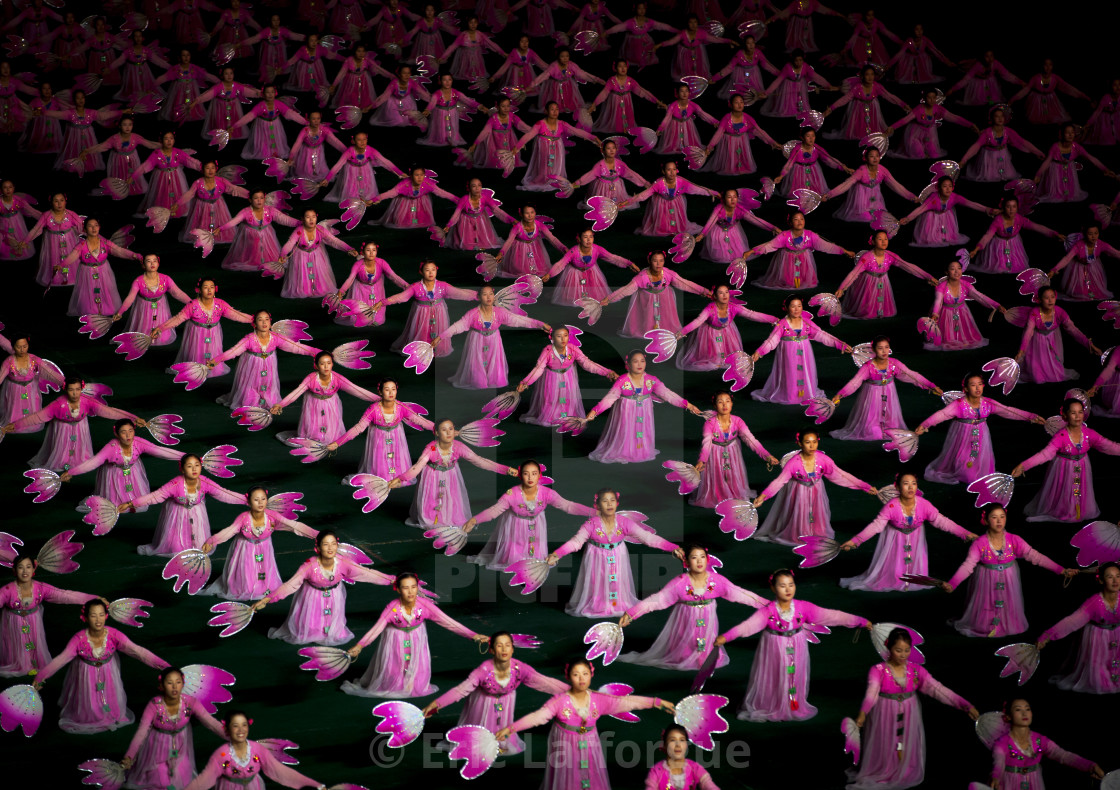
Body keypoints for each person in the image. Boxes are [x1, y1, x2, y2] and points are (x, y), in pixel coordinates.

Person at [494, 659, 676, 789]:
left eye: (585, 674)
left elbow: (627, 702)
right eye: (576, 674)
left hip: (590, 742)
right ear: (568, 677)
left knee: (590, 770)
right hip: (565, 742)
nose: (581, 678)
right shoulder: (560, 701)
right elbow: (537, 717)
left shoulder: (599, 699)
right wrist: (511, 728)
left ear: (591, 676)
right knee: (568, 773)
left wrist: (656, 702)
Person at [715, 569, 870, 721]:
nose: (788, 589)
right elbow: (747, 626)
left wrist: (858, 621)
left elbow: (832, 616)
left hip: (797, 646)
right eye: (782, 586)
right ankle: (773, 704)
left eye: (791, 584)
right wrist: (726, 637)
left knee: (794, 675)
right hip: (775, 646)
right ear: (773, 588)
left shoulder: (803, 608)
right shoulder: (768, 611)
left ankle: (792, 705)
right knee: (775, 674)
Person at [846, 629, 978, 790]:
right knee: (886, 740)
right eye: (898, 650)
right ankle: (884, 769)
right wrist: (863, 712)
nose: (903, 655)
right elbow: (872, 692)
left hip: (909, 712)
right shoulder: (878, 670)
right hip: (884, 712)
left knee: (904, 742)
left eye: (907, 650)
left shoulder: (916, 670)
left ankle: (901, 768)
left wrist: (964, 705)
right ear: (889, 648)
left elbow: (938, 689)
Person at [32, 599, 170, 733]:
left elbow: (138, 651)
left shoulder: (113, 635)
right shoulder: (79, 639)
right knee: (88, 701)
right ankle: (92, 715)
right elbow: (61, 659)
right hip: (86, 673)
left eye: (101, 615)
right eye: (93, 615)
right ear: (84, 618)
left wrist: (164, 666)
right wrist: (40, 677)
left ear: (106, 616)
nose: (98, 620)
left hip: (109, 672)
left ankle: (110, 713)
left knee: (111, 697)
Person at [618, 544, 764, 671]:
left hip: (708, 617)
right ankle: (685, 654)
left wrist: (768, 605)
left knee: (706, 645)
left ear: (707, 559)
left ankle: (704, 655)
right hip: (685, 617)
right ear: (686, 562)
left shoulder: (717, 581)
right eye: (694, 557)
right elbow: (657, 600)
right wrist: (632, 613)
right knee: (686, 647)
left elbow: (742, 594)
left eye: (702, 557)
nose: (699, 561)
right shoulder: (680, 583)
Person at [421, 631, 568, 756]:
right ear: (491, 650)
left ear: (512, 649)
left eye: (507, 645)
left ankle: (500, 741)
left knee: (502, 724)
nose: (504, 649)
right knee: (479, 740)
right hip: (483, 701)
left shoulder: (520, 668)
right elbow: (460, 690)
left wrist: (574, 691)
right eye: (499, 645)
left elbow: (545, 682)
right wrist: (436, 704)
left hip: (506, 701)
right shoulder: (483, 671)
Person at [939, 505, 1076, 638]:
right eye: (994, 517)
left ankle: (1004, 624)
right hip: (986, 579)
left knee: (1008, 604)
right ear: (986, 520)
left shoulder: (1014, 540)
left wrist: (1061, 570)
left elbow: (1036, 556)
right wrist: (953, 583)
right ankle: (987, 625)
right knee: (986, 605)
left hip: (1008, 578)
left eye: (1002, 517)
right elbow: (968, 565)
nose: (999, 521)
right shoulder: (980, 543)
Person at [342, 573, 487, 698]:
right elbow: (376, 629)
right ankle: (394, 683)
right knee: (395, 663)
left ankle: (412, 683)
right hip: (395, 638)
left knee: (417, 665)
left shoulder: (424, 605)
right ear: (398, 589)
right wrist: (359, 646)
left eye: (413, 587)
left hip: (417, 636)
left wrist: (473, 635)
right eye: (405, 588)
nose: (411, 592)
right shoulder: (392, 608)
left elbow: (447, 621)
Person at [546, 488, 682, 617]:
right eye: (605, 501)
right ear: (597, 506)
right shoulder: (591, 524)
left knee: (616, 579)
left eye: (612, 500)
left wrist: (672, 547)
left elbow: (648, 538)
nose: (609, 504)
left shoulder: (624, 523)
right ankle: (598, 605)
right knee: (598, 579)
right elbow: (576, 542)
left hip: (617, 555)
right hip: (596, 557)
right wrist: (558, 553)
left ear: (617, 503)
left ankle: (617, 604)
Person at [253, 530, 394, 646]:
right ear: (318, 548)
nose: (331, 548)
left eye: (334, 544)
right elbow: (290, 585)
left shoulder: (343, 562)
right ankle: (312, 630)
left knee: (332, 625)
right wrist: (267, 599)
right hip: (312, 595)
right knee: (309, 623)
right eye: (326, 544)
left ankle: (328, 629)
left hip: (334, 594)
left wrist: (391, 580)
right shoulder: (309, 566)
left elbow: (367, 573)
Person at [839, 473, 975, 592]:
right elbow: (876, 526)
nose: (910, 487)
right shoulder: (891, 506)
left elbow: (942, 521)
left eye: (914, 483)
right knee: (892, 575)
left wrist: (965, 533)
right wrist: (855, 541)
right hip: (894, 539)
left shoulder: (923, 504)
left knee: (914, 575)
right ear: (897, 487)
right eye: (906, 484)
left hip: (916, 539)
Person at [915, 372, 1044, 485]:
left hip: (981, 436)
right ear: (965, 388)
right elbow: (942, 415)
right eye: (973, 385)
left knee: (981, 469)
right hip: (963, 436)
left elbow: (1008, 411)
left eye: (980, 384)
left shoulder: (988, 403)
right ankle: (963, 469)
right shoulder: (959, 404)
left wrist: (1031, 417)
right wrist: (925, 425)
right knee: (967, 474)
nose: (977, 388)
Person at [752, 429, 878, 545]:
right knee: (800, 511)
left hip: (817, 490)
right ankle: (799, 532)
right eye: (807, 442)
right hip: (799, 490)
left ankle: (815, 532)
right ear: (800, 444)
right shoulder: (793, 463)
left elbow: (842, 475)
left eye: (814, 442)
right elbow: (779, 482)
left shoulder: (823, 459)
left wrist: (864, 486)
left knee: (816, 512)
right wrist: (763, 496)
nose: (812, 446)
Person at [465, 460, 594, 571]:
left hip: (537, 525)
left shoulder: (546, 493)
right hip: (516, 525)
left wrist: (593, 512)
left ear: (539, 475)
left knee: (535, 559)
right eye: (526, 474)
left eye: (534, 474)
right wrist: (474, 520)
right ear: (521, 476)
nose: (530, 478)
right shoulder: (512, 495)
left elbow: (568, 506)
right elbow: (494, 511)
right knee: (514, 561)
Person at [389, 418, 518, 529]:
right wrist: (401, 479)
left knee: (450, 497)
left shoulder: (458, 447)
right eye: (444, 430)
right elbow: (417, 468)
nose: (448, 432)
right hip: (432, 475)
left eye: (451, 429)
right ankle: (432, 517)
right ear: (437, 433)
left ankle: (447, 517)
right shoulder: (432, 448)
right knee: (432, 498)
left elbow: (480, 461)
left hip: (451, 475)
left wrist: (505, 469)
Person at [581, 350, 702, 464]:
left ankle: (639, 449)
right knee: (625, 430)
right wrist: (595, 411)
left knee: (641, 433)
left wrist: (688, 405)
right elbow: (610, 398)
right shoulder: (622, 380)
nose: (639, 364)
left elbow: (668, 394)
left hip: (644, 410)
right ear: (628, 364)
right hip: (626, 411)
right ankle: (624, 450)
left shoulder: (651, 380)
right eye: (635, 361)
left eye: (642, 361)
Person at [1012, 398, 1120, 523]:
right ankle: (1065, 510)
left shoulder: (1089, 434)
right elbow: (1044, 454)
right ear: (1065, 416)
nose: (1077, 416)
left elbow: (1109, 446)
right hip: (1064, 467)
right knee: (1065, 492)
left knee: (1079, 490)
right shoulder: (1061, 436)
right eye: (1073, 413)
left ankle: (1078, 509)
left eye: (1080, 412)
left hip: (1082, 465)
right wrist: (1024, 466)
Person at [2, 376, 143, 472]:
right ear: (66, 390)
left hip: (80, 428)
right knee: (61, 449)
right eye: (71, 389)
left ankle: (78, 461)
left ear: (81, 389)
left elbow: (110, 412)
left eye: (77, 389)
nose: (75, 393)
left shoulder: (87, 401)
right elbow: (37, 417)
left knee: (80, 454)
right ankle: (62, 460)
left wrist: (133, 418)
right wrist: (14, 425)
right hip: (62, 428)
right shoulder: (58, 404)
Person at [200, 486, 318, 600]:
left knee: (265, 574)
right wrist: (212, 540)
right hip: (245, 548)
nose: (260, 502)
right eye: (256, 500)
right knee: (246, 572)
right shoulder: (243, 518)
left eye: (263, 499)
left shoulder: (272, 516)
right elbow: (229, 531)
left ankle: (263, 588)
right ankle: (245, 587)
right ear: (249, 502)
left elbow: (294, 526)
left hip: (264, 548)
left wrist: (317, 535)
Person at [120, 667, 227, 789]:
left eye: (178, 682)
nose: (174, 686)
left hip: (181, 749)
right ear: (162, 686)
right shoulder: (154, 705)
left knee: (181, 776)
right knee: (160, 779)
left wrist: (229, 735)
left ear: (183, 684)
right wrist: (129, 756)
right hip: (157, 750)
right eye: (170, 683)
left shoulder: (190, 702)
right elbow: (142, 732)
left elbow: (210, 722)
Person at [124, 454, 246, 558]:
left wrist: (246, 500)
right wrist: (132, 503)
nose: (194, 469)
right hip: (177, 513)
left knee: (200, 548)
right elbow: (155, 496)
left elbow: (223, 493)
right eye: (189, 466)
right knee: (175, 548)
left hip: (197, 512)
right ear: (182, 469)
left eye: (197, 465)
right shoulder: (175, 484)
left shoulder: (204, 482)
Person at [0, 553, 100, 677]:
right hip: (13, 623)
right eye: (21, 567)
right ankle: (20, 664)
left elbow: (64, 595)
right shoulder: (7, 591)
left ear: (33, 569)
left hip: (33, 621)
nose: (25, 571)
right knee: (17, 644)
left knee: (35, 642)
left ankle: (34, 664)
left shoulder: (40, 587)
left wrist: (94, 598)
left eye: (28, 567)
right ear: (14, 570)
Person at [828, 335, 942, 441]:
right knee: (873, 433)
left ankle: (887, 425)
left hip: (889, 395)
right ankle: (873, 425)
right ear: (874, 350)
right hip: (872, 396)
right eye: (880, 348)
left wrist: (931, 386)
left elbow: (913, 376)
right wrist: (841, 394)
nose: (884, 351)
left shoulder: (894, 364)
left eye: (886, 347)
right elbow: (855, 383)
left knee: (893, 429)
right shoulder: (868, 366)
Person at [437, 286, 551, 390]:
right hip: (477, 339)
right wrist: (441, 337)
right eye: (484, 294)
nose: (488, 297)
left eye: (490, 294)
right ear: (479, 297)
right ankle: (478, 380)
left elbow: (519, 320)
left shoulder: (500, 312)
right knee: (477, 359)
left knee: (493, 359)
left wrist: (539, 324)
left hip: (494, 339)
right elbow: (458, 326)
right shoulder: (473, 314)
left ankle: (491, 378)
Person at [60, 418, 185, 511]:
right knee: (113, 505)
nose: (128, 435)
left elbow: (161, 451)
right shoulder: (111, 447)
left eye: (131, 431)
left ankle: (132, 500)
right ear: (117, 434)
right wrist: (71, 472)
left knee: (139, 502)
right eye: (123, 432)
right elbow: (93, 462)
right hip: (114, 473)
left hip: (133, 471)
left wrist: (185, 457)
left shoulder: (138, 442)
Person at [325, 378, 433, 485]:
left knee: (397, 458)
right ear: (380, 392)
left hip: (396, 438)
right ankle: (382, 476)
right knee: (380, 461)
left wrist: (436, 428)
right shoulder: (373, 409)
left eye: (393, 389)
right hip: (379, 438)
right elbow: (358, 428)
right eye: (387, 389)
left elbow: (420, 420)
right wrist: (338, 443)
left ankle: (397, 476)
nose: (391, 393)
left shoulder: (401, 407)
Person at [183, 711, 325, 790]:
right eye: (235, 726)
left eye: (244, 725)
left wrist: (315, 785)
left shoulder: (257, 749)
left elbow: (280, 771)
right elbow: (204, 780)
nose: (241, 730)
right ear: (227, 729)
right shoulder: (221, 755)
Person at [209, 310, 321, 409]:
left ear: (270, 322)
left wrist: (315, 352)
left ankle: (264, 397)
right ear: (254, 324)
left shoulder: (276, 337)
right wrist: (217, 360)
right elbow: (233, 351)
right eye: (260, 320)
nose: (264, 323)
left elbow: (296, 347)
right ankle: (251, 398)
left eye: (266, 319)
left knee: (267, 385)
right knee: (251, 388)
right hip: (251, 365)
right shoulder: (250, 339)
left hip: (269, 364)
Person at [750, 296, 852, 405]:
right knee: (790, 373)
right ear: (786, 308)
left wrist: (840, 344)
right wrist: (759, 352)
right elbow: (771, 341)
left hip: (805, 354)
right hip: (788, 354)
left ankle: (804, 393)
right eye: (793, 306)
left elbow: (822, 335)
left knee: (805, 371)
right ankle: (790, 394)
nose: (796, 309)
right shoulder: (782, 324)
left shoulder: (807, 323)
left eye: (799, 306)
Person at [1037, 562, 1120, 694]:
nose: (1115, 580)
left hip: (1118, 634)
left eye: (1118, 576)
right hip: (1099, 638)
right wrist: (1047, 636)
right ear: (1101, 580)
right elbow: (1071, 622)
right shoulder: (1094, 603)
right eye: (1110, 577)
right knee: (1100, 676)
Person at [983, 699, 1104, 788]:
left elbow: (1062, 755)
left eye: (1027, 709)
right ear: (1008, 716)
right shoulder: (1002, 743)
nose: (1024, 713)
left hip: (1034, 783)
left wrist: (1090, 766)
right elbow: (998, 763)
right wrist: (996, 777)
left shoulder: (1039, 740)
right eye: (1018, 709)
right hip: (1008, 784)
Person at [516, 326, 619, 426]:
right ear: (551, 337)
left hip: (568, 376)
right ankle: (551, 415)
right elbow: (538, 369)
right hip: (551, 377)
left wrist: (607, 372)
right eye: (559, 336)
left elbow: (587, 363)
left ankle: (566, 415)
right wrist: (525, 383)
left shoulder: (573, 349)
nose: (563, 339)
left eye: (565, 335)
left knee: (567, 396)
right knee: (551, 397)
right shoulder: (548, 351)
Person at [374, 261, 478, 358]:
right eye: (427, 270)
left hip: (439, 313)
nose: (431, 272)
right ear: (421, 272)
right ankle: (421, 349)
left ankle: (436, 349)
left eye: (433, 269)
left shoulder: (442, 285)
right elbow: (401, 297)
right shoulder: (415, 287)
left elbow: (459, 293)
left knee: (438, 330)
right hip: (421, 313)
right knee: (422, 331)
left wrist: (478, 296)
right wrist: (383, 302)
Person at [270, 351, 378, 445]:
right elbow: (296, 393)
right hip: (313, 403)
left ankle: (327, 437)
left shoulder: (337, 378)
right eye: (322, 364)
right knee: (313, 424)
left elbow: (356, 390)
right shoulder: (311, 378)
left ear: (332, 364)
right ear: (316, 365)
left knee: (330, 429)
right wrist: (281, 404)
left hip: (330, 403)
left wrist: (377, 399)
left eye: (329, 363)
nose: (326, 367)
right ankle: (314, 437)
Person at [150, 278, 253, 377]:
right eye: (205, 287)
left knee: (212, 350)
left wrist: (253, 319)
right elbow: (177, 319)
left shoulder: (220, 304)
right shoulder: (193, 305)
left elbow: (237, 315)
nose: (209, 290)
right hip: (197, 333)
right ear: (199, 290)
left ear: (215, 289)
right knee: (197, 352)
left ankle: (211, 366)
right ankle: (195, 369)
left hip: (213, 332)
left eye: (212, 287)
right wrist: (160, 328)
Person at [689, 392, 777, 506]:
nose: (724, 405)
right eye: (720, 402)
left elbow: (750, 440)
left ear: (732, 404)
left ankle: (732, 492)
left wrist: (767, 456)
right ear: (715, 406)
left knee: (732, 474)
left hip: (732, 451)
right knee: (716, 474)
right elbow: (706, 442)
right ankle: (717, 494)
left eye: (727, 401)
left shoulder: (737, 421)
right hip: (714, 453)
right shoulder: (709, 423)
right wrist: (702, 460)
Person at [600, 251, 710, 339]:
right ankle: (647, 328)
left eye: (661, 261)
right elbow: (626, 290)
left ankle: (662, 328)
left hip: (664, 298)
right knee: (647, 317)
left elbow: (685, 284)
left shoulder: (668, 274)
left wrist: (703, 291)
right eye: (655, 261)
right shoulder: (642, 277)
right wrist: (609, 299)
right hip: (646, 299)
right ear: (649, 261)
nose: (658, 264)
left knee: (665, 316)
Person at [834, 231, 936, 319]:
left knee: (884, 309)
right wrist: (842, 288)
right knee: (866, 311)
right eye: (880, 239)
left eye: (886, 239)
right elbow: (854, 273)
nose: (883, 241)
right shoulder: (866, 257)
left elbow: (908, 266)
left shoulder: (890, 255)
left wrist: (928, 277)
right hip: (868, 282)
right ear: (873, 242)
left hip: (883, 281)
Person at [675, 285, 777, 372]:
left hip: (726, 331)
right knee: (711, 359)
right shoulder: (710, 308)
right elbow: (698, 321)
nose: (725, 295)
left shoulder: (733, 307)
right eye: (721, 293)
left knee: (730, 358)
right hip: (709, 331)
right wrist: (682, 332)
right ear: (714, 296)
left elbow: (751, 314)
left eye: (726, 292)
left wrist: (773, 319)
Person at [1012, 286, 1101, 384]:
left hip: (1052, 341)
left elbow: (1073, 330)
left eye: (1052, 297)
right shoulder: (1035, 313)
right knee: (1037, 377)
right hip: (1036, 343)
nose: (1050, 300)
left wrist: (1089, 344)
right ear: (1040, 299)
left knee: (1055, 375)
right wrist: (1022, 350)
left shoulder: (1059, 312)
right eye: (1046, 298)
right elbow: (1028, 332)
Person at [749, 211, 855, 290]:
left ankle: (801, 280)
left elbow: (827, 246)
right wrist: (752, 251)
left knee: (803, 279)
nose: (799, 221)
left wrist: (845, 251)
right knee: (788, 280)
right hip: (787, 258)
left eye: (802, 219)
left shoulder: (810, 235)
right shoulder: (784, 235)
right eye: (796, 219)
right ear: (790, 223)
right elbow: (769, 245)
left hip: (803, 258)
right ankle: (788, 280)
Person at [620, 160, 720, 237]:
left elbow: (697, 189)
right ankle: (664, 229)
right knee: (662, 221)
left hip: (676, 202)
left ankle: (675, 228)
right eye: (668, 170)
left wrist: (714, 193)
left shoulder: (681, 182)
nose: (672, 173)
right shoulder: (659, 183)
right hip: (661, 203)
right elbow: (642, 195)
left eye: (674, 169)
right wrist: (627, 202)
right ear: (663, 171)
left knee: (678, 222)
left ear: (677, 170)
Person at [922, 259, 1005, 351]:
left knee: (968, 339)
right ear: (947, 272)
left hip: (962, 313)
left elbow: (980, 297)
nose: (956, 271)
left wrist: (997, 305)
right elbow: (938, 301)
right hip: (945, 314)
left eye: (959, 268)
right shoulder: (941, 286)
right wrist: (935, 314)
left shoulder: (966, 285)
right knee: (946, 339)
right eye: (952, 269)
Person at [968, 196, 1064, 275]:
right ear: (1004, 208)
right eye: (1008, 207)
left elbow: (1037, 227)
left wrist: (1055, 234)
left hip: (1014, 243)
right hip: (998, 244)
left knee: (1016, 267)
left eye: (1014, 207)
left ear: (1017, 208)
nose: (1011, 210)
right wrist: (976, 249)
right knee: (999, 267)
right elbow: (988, 236)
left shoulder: (1019, 219)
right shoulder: (998, 220)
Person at [822, 147, 918, 224]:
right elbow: (846, 185)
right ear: (866, 158)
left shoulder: (882, 170)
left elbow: (896, 185)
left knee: (882, 217)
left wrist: (912, 197)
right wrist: (829, 195)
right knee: (867, 218)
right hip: (861, 197)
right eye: (872, 156)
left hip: (875, 197)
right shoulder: (861, 171)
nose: (875, 158)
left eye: (877, 156)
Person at [275, 210, 358, 299]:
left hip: (316, 255)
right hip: (301, 256)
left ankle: (316, 288)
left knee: (318, 273)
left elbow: (334, 241)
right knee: (302, 274)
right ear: (302, 219)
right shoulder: (299, 231)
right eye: (308, 217)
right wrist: (283, 255)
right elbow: (290, 243)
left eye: (313, 217)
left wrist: (349, 249)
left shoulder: (320, 229)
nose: (311, 220)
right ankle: (304, 289)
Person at [546, 228, 639, 304]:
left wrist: (629, 264)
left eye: (591, 237)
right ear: (579, 239)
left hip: (591, 272)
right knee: (573, 298)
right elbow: (561, 264)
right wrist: (550, 274)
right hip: (574, 273)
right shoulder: (573, 251)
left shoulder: (597, 249)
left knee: (594, 296)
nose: (588, 240)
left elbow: (612, 258)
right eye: (585, 237)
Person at [114, 254, 192, 345]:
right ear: (143, 265)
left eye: (154, 261)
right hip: (144, 306)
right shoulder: (138, 281)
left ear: (158, 264)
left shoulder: (165, 279)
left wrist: (192, 303)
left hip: (160, 305)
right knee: (144, 327)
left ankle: (160, 335)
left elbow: (178, 293)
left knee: (160, 321)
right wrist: (120, 311)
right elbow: (130, 298)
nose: (152, 263)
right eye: (148, 261)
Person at [899, 177, 996, 248]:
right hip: (932, 216)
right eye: (945, 186)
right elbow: (920, 209)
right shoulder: (933, 198)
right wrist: (908, 218)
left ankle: (944, 236)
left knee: (948, 238)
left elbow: (971, 204)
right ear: (939, 188)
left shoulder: (954, 197)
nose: (948, 189)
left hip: (946, 217)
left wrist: (988, 209)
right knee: (931, 239)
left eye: (950, 186)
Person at [958, 106, 1045, 184]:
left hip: (1003, 155)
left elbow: (1023, 142)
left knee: (1007, 176)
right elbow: (975, 147)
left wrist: (1038, 152)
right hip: (989, 157)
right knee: (990, 177)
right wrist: (963, 160)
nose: (1000, 118)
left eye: (1002, 116)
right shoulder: (987, 133)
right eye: (997, 116)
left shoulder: (1008, 131)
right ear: (992, 118)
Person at [1032, 123, 1113, 203]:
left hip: (1069, 170)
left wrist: (1105, 169)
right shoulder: (1055, 147)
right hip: (1056, 170)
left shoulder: (1076, 147)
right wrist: (1038, 174)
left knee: (1070, 193)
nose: (1070, 135)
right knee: (1056, 193)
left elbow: (1091, 158)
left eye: (1072, 132)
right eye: (1067, 133)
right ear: (1062, 134)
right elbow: (1047, 161)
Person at [822, 65, 908, 140]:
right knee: (858, 130)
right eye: (867, 74)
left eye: (872, 74)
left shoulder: (877, 87)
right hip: (858, 108)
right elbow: (844, 99)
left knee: (873, 130)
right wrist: (831, 108)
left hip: (873, 108)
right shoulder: (857, 88)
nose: (870, 77)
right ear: (863, 76)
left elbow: (890, 96)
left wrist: (903, 105)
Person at [887, 89, 977, 160]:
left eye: (934, 97)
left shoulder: (938, 109)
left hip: (929, 133)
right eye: (929, 97)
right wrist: (893, 127)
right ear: (925, 98)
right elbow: (905, 120)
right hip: (915, 133)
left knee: (934, 155)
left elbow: (954, 118)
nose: (932, 100)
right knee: (918, 155)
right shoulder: (919, 109)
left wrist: (970, 125)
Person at [693, 189, 779, 264]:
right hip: (718, 230)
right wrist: (702, 234)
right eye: (729, 197)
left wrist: (773, 228)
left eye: (735, 197)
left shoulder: (739, 209)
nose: (732, 200)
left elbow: (756, 220)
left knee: (739, 254)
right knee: (720, 256)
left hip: (733, 231)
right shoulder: (719, 209)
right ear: (724, 199)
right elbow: (710, 222)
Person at [1047, 222, 1120, 301]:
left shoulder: (1100, 244)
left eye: (1096, 233)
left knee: (1095, 289)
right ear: (1085, 234)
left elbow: (1115, 253)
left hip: (1093, 267)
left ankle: (1091, 294)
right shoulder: (1079, 245)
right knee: (1080, 291)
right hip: (1079, 267)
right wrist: (1054, 269)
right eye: (1090, 234)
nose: (1093, 236)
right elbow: (1067, 258)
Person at [0, 333, 57, 431]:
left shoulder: (34, 359)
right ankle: (13, 424)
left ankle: (30, 422)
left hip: (30, 387)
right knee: (14, 406)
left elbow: (49, 372)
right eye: (18, 347)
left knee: (32, 405)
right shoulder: (9, 362)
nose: (22, 350)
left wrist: (63, 382)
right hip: (14, 388)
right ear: (13, 347)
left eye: (25, 346)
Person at [494, 203, 567, 279]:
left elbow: (552, 239)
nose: (530, 216)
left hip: (535, 248)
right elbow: (509, 241)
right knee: (520, 270)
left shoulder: (539, 225)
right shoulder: (517, 227)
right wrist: (501, 253)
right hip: (519, 251)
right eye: (527, 213)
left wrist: (563, 248)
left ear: (535, 213)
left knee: (540, 268)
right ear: (521, 214)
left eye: (532, 212)